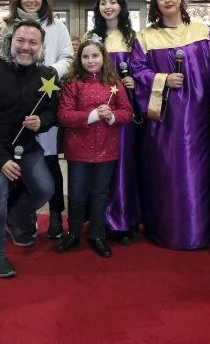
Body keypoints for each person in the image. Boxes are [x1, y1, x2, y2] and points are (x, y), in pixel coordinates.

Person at [130, 0, 210, 250]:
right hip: (165, 122)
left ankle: (202, 230)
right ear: (156, 5)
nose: (167, 0)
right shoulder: (146, 37)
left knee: (199, 173)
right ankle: (166, 229)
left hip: (199, 119)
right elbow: (137, 72)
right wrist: (162, 79)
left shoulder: (203, 32)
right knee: (166, 174)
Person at [0, 21, 57, 278]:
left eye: (33, 43)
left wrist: (43, 122)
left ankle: (14, 218)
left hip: (24, 145)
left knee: (45, 188)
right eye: (21, 41)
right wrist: (1, 160)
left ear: (41, 47)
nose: (26, 47)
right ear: (10, 41)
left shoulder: (47, 75)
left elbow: (52, 110)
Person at [0, 0, 73, 239]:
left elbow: (67, 57)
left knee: (51, 162)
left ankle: (55, 215)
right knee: (21, 159)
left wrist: (51, 71)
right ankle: (24, 215)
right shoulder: (8, 27)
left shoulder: (57, 25)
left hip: (47, 99)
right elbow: (3, 60)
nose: (31, 0)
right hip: (18, 105)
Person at [56, 36, 133, 258]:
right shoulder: (73, 83)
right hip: (78, 149)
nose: (90, 61)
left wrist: (111, 116)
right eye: (85, 56)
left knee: (100, 194)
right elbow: (64, 115)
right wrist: (92, 115)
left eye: (95, 56)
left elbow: (127, 113)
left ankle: (97, 235)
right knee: (77, 194)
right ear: (79, 59)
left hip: (107, 150)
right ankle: (73, 233)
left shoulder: (114, 83)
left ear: (103, 57)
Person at [85, 0, 141, 244]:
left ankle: (123, 220)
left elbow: (141, 69)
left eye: (113, 2)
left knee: (123, 164)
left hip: (123, 109)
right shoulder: (92, 37)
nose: (108, 6)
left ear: (121, 6)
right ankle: (100, 221)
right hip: (98, 110)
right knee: (99, 165)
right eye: (103, 3)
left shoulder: (133, 38)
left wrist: (134, 81)